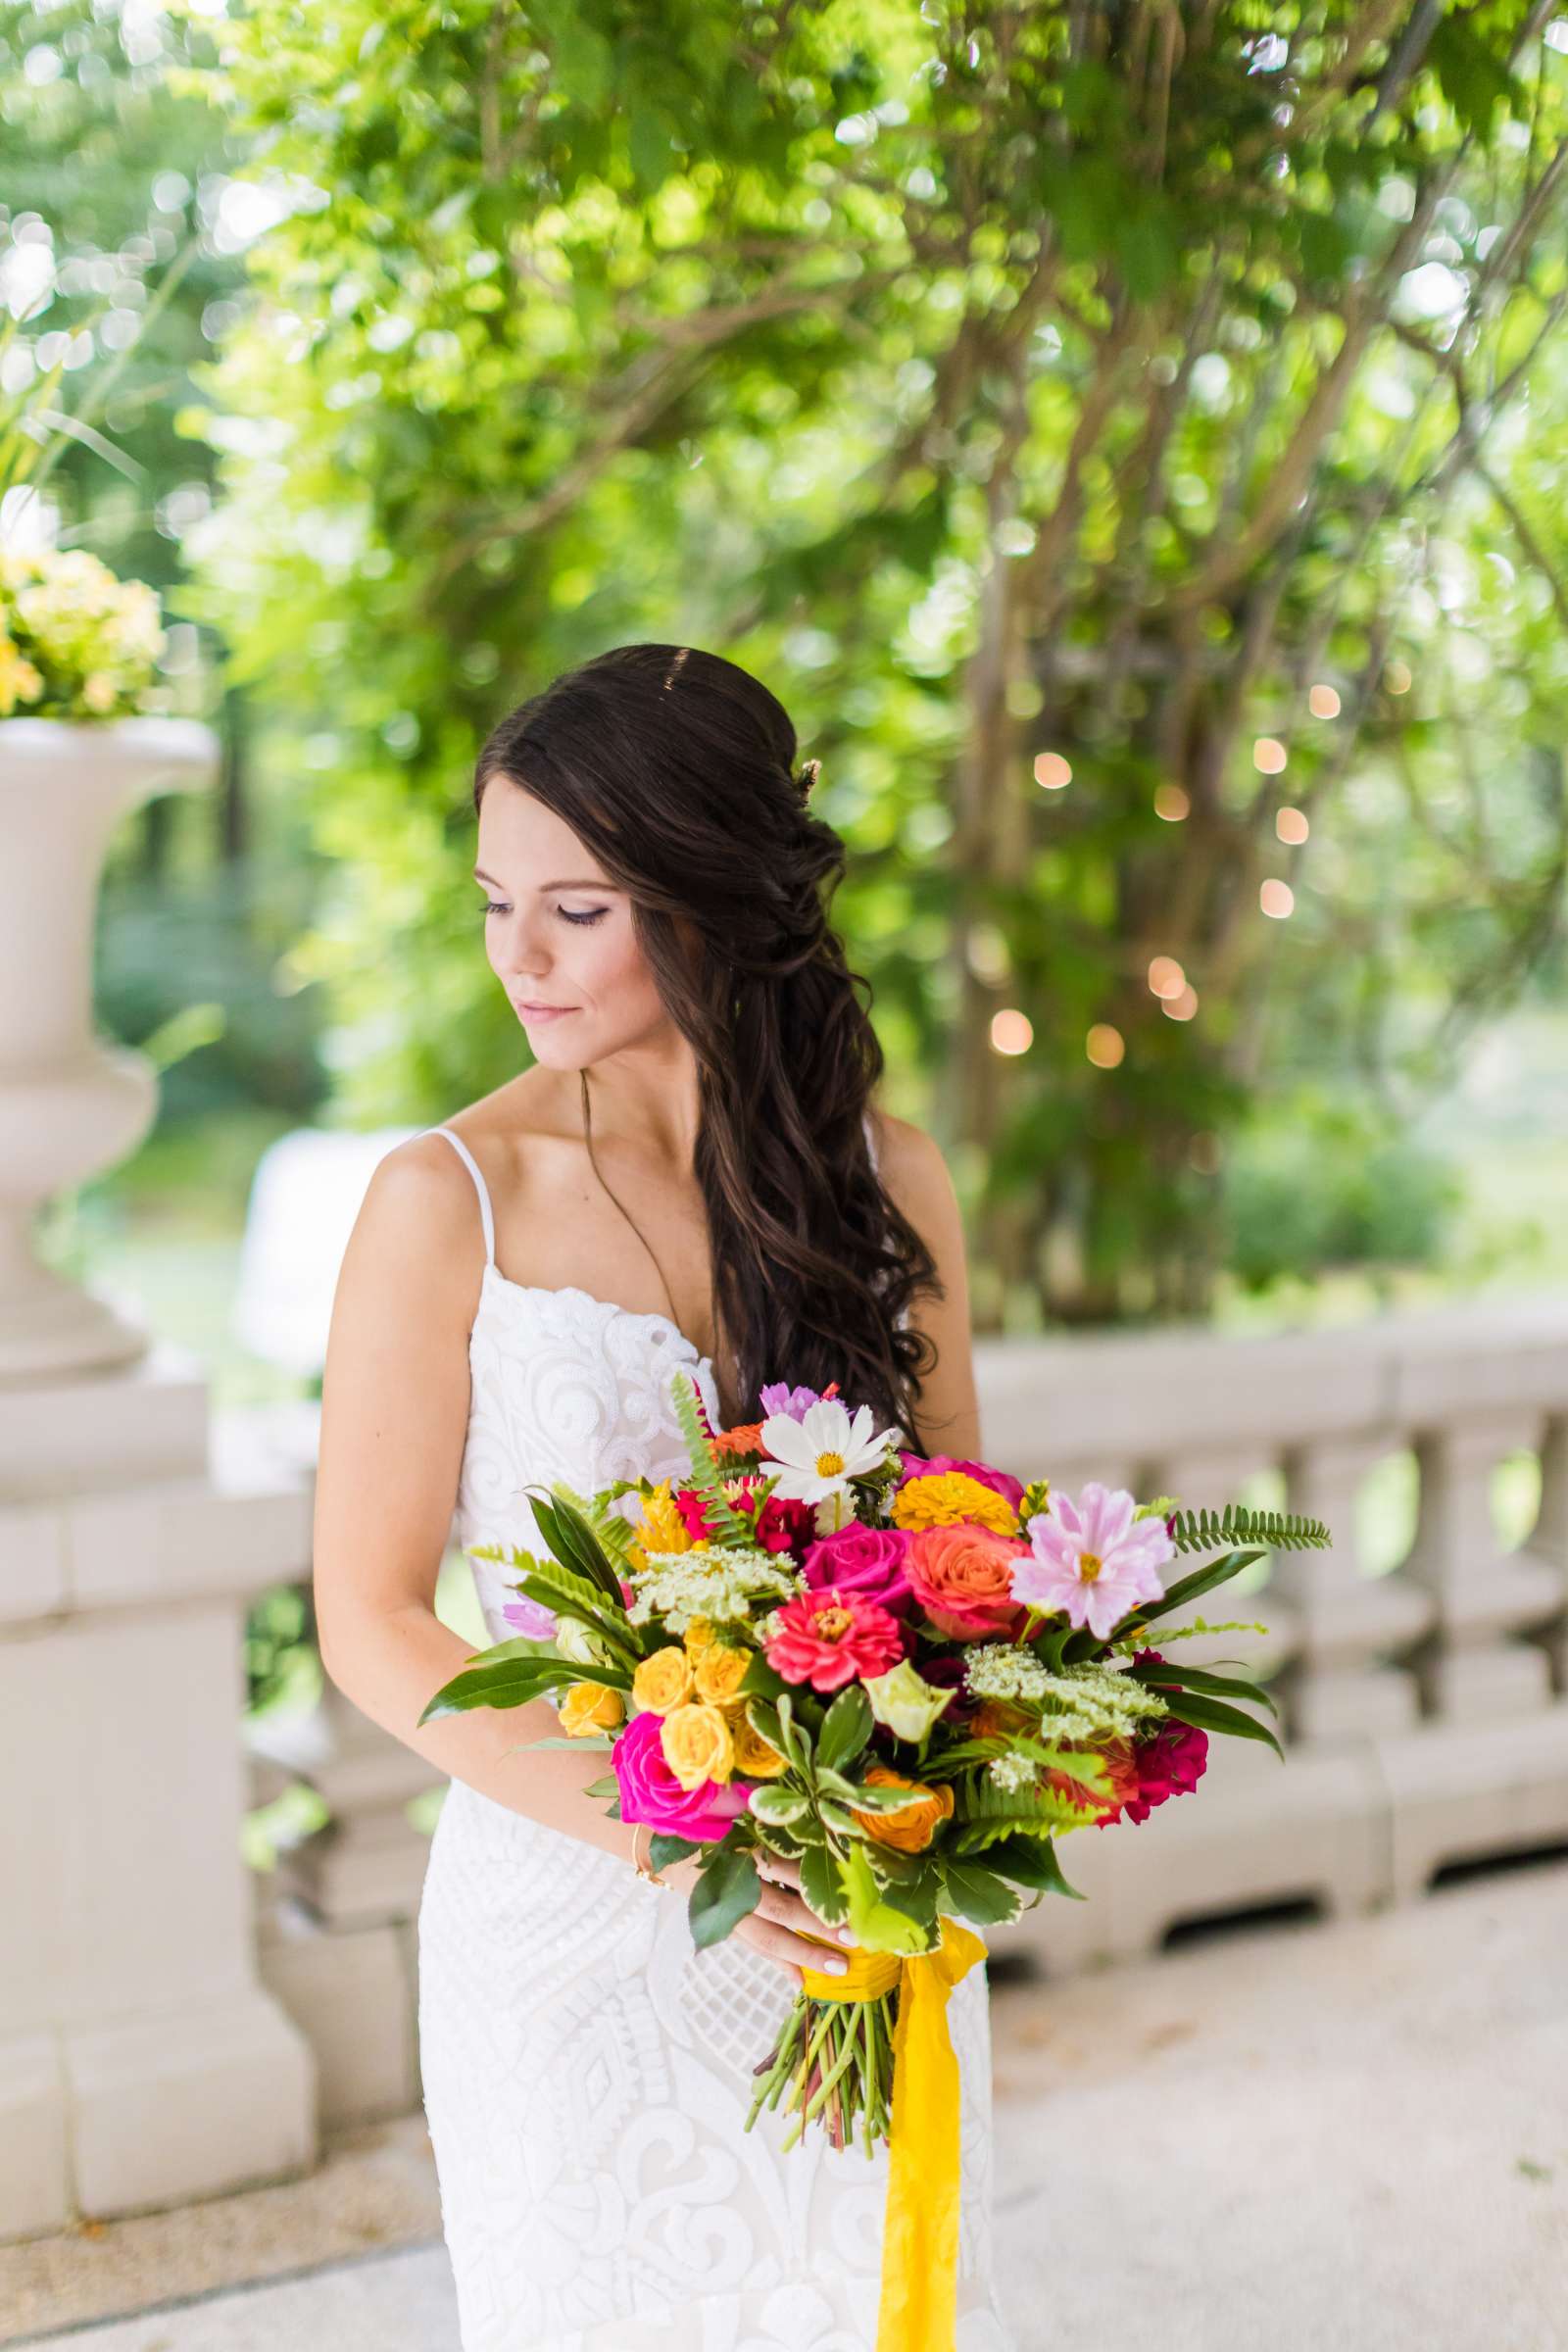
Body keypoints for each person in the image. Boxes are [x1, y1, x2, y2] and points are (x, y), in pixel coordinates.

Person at [313, 643, 1018, 2350]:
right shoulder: (444, 1200)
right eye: (497, 904)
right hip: (574, 1938)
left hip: (850, 1922)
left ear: (711, 897)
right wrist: (675, 1825)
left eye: (579, 908)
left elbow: (961, 1545)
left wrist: (952, 1769)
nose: (518, 959)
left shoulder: (883, 1177)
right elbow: (372, 1622)